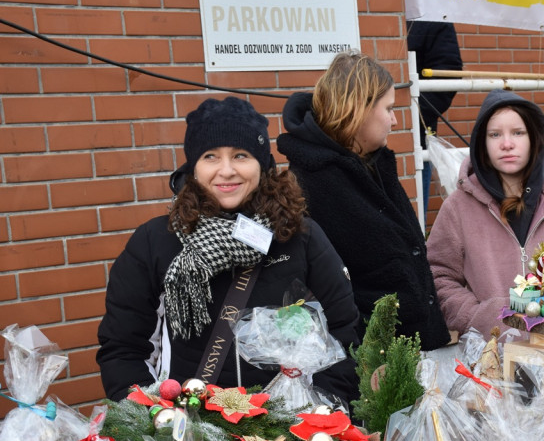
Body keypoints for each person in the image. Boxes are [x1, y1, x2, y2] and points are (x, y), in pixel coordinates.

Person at [97, 97, 361, 402]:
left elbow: (343, 334)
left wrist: (323, 411)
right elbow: (124, 348)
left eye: (240, 155)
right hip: (189, 429)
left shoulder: (300, 236)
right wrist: (153, 419)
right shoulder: (155, 242)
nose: (226, 171)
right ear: (194, 167)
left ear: (262, 165)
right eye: (210, 156)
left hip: (286, 434)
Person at [277, 51, 451, 350]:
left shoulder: (372, 163)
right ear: (359, 109)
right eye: (389, 109)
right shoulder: (312, 182)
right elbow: (322, 289)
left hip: (407, 350)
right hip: (370, 363)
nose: (395, 120)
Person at [427, 89, 544, 336]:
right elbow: (438, 277)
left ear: (533, 139)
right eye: (495, 134)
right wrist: (479, 316)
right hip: (492, 357)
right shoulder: (458, 207)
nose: (507, 144)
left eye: (518, 133)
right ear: (482, 144)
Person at [407, 20, 463, 198]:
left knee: (412, 216)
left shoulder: (431, 14)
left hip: (414, 136)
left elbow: (445, 78)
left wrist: (406, 115)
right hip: (361, 140)